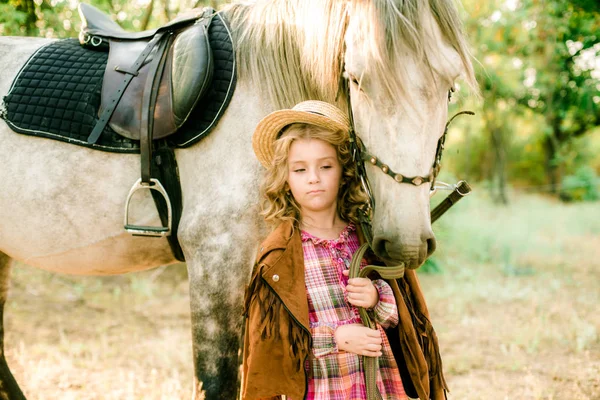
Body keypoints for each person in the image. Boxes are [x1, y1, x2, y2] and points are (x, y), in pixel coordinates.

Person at [242, 100, 448, 400]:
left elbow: (404, 318)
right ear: (286, 180)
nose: (314, 177)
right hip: (326, 388)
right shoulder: (278, 257)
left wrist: (378, 297)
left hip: (382, 387)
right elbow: (274, 345)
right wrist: (334, 337)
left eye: (325, 166)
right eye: (300, 169)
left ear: (344, 171)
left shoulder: (370, 241)